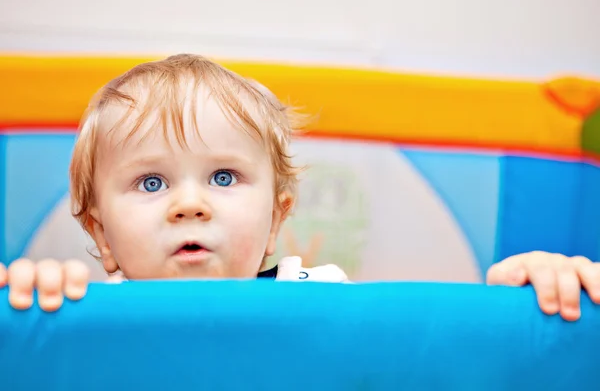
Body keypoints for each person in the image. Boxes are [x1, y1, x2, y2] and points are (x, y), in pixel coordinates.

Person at [1, 54, 599, 322]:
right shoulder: (80, 309)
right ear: (100, 234)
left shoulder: (322, 299)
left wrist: (510, 298)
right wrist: (26, 300)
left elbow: (421, 356)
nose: (190, 204)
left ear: (277, 215)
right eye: (151, 182)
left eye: (224, 177)